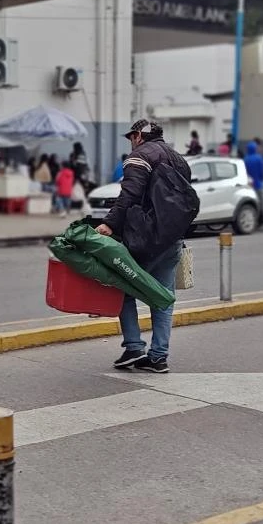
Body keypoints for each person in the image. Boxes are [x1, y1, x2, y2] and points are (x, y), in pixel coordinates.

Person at [96, 120, 193, 374]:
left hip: (144, 238)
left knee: (124, 288)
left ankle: (133, 346)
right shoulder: (178, 159)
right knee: (163, 297)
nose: (131, 141)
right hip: (172, 239)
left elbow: (129, 195)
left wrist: (108, 224)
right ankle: (158, 357)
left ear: (138, 135)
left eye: (131, 136)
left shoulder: (139, 156)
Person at [243, 141, 263, 229]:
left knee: (251, 205)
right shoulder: (259, 158)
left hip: (249, 185)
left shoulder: (246, 159)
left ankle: (254, 223)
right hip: (258, 185)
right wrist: (261, 180)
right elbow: (262, 173)